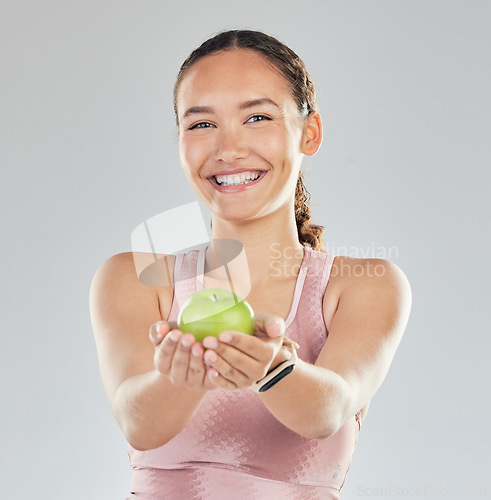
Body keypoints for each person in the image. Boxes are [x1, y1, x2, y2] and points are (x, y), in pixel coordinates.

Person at [89, 29, 412, 499]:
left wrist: (273, 368)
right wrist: (181, 376)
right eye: (201, 124)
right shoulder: (136, 278)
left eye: (257, 117)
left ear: (310, 133)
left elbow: (329, 410)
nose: (228, 148)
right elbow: (138, 423)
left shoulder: (364, 286)